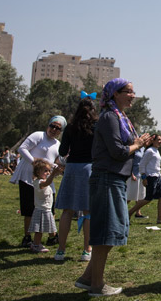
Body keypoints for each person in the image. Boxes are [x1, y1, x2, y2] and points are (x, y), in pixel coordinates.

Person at [74, 78, 154, 297]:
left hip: (115, 179)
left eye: (133, 91)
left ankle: (87, 278)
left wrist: (138, 142)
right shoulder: (110, 117)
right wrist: (137, 144)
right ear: (115, 94)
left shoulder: (119, 117)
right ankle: (97, 286)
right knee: (106, 234)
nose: (133, 95)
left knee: (111, 231)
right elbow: (118, 151)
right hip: (107, 179)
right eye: (128, 91)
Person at [10, 115, 67, 248]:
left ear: (61, 131)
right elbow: (22, 149)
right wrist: (36, 163)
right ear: (48, 125)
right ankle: (27, 237)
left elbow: (55, 162)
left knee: (49, 207)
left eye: (58, 128)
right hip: (28, 177)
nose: (54, 129)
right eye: (52, 126)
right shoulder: (38, 135)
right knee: (29, 209)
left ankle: (52, 236)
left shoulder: (58, 145)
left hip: (47, 179)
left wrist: (58, 167)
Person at [54, 97, 98, 262]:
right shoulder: (96, 127)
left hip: (72, 168)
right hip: (89, 168)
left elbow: (63, 150)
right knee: (88, 211)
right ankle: (87, 250)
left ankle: (60, 250)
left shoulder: (71, 127)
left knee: (67, 210)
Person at [129, 135, 161, 224]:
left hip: (158, 176)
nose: (160, 141)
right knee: (148, 198)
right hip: (151, 177)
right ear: (153, 141)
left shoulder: (156, 151)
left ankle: (160, 219)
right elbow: (142, 165)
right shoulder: (149, 151)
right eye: (158, 139)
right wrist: (144, 178)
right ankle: (130, 212)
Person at [29, 159, 61, 253]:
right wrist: (53, 174)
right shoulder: (38, 182)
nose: (48, 173)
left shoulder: (42, 181)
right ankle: (35, 244)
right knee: (39, 230)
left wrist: (55, 173)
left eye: (49, 171)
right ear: (38, 172)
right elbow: (47, 183)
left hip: (46, 209)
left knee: (42, 229)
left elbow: (48, 181)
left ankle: (37, 243)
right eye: (45, 171)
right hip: (41, 210)